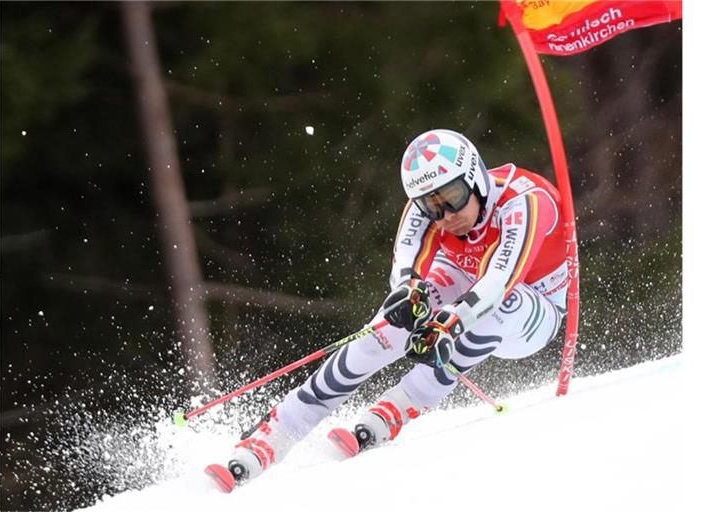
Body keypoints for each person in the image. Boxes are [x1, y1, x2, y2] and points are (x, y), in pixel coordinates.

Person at [213, 128, 568, 488]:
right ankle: (277, 431)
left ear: (474, 178)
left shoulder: (525, 200)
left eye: (454, 197)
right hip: (467, 277)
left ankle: (400, 406)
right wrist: (409, 297)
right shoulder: (425, 209)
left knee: (493, 307)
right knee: (387, 327)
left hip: (533, 308)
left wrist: (449, 322)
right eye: (433, 206)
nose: (445, 215)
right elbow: (406, 269)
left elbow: (500, 280)